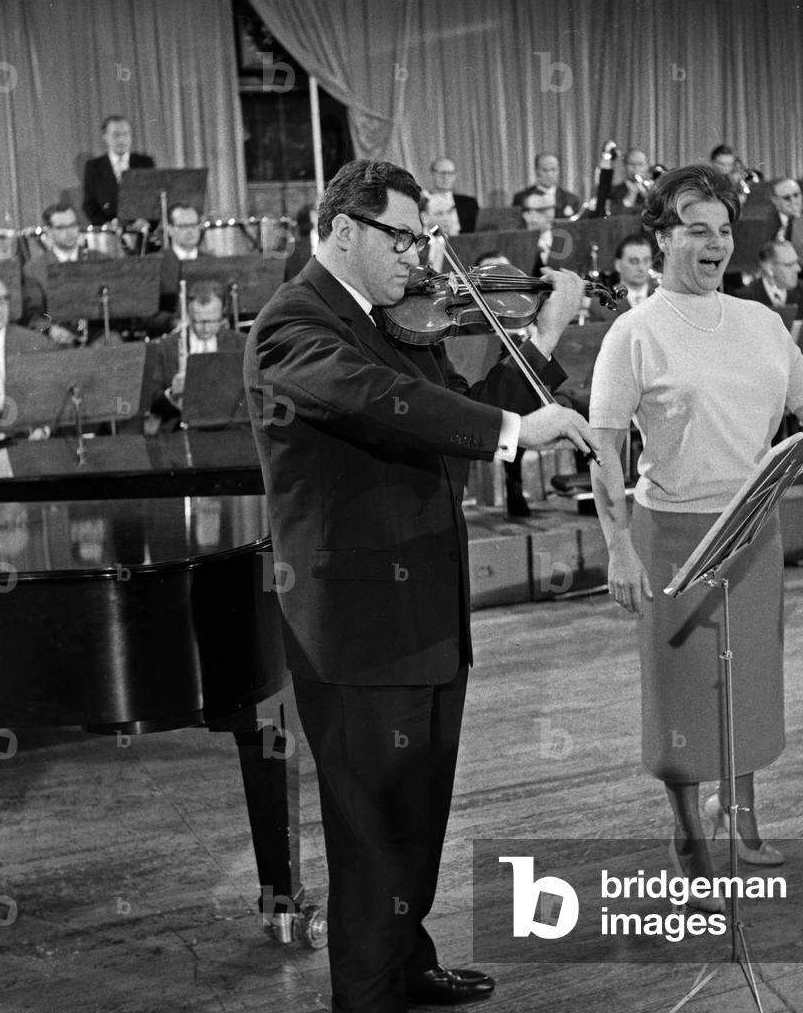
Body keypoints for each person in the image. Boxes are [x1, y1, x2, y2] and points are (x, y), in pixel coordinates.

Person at [243, 158, 595, 1011]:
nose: (419, 257)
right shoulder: (294, 323)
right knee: (373, 833)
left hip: (425, 616)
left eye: (421, 238)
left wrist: (541, 340)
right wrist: (514, 431)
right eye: (403, 238)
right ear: (343, 231)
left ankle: (406, 962)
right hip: (361, 630)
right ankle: (368, 997)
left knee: (419, 812)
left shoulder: (393, 322)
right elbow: (377, 400)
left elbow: (453, 418)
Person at [587, 165, 803, 907]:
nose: (715, 244)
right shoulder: (633, 333)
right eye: (696, 230)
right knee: (682, 691)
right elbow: (604, 448)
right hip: (670, 535)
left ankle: (739, 813)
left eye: (723, 230)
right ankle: (688, 832)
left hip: (753, 530)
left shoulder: (761, 322)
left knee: (746, 680)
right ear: (661, 237)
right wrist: (617, 548)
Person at [147, 280, 245, 432]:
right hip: (180, 429)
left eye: (212, 321)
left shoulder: (241, 343)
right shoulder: (166, 347)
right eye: (198, 321)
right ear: (188, 314)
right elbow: (151, 402)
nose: (205, 328)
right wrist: (172, 394)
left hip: (231, 428)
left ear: (222, 313)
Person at [0, 273, 56, 426]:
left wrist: (44, 429)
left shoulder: (36, 344)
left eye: (3, 300)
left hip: (22, 429)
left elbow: (52, 399)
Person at [21, 203, 110, 345]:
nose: (69, 232)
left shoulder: (100, 259)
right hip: (56, 338)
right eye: (61, 228)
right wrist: (50, 330)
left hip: (98, 334)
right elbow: (32, 315)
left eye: (73, 225)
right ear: (49, 231)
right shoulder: (34, 269)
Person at [81, 115, 155, 226]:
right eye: (116, 135)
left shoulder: (145, 163)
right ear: (105, 137)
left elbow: (154, 198)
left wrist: (146, 221)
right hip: (109, 229)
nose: (121, 139)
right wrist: (106, 224)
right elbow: (89, 203)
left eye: (125, 134)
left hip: (141, 228)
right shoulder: (94, 166)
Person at [150, 203, 208, 335]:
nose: (190, 231)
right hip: (168, 334)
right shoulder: (154, 263)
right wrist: (173, 322)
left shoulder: (211, 261)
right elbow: (145, 311)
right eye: (183, 226)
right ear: (170, 229)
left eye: (194, 225)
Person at [737, 240, 803, 319]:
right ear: (770, 269)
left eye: (797, 262)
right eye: (790, 265)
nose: (798, 268)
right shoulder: (745, 298)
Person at [512, 152, 580, 218]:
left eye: (553, 169)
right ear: (536, 171)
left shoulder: (571, 199)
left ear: (558, 171)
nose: (549, 175)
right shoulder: (520, 198)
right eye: (545, 170)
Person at [608, 149, 652, 215]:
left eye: (640, 164)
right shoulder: (612, 191)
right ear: (624, 166)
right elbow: (613, 217)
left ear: (647, 167)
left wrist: (648, 196)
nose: (636, 168)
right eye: (632, 164)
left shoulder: (654, 190)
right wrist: (630, 197)